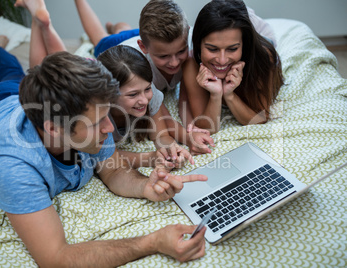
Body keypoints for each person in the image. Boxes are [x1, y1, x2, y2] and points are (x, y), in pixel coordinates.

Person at [0, 34, 208, 266]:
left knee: (12, 76)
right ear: (54, 129)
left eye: (107, 115)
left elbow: (113, 171)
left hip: (15, 97)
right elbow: (56, 257)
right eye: (97, 123)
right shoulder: (13, 164)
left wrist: (145, 187)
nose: (109, 129)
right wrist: (151, 243)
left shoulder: (86, 115)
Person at [15, 0, 194, 169]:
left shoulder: (146, 90)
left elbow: (162, 134)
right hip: (113, 51)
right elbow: (107, 157)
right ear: (109, 95)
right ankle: (43, 23)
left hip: (127, 52)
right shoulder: (97, 113)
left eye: (147, 90)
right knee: (54, 70)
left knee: (121, 30)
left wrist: (170, 148)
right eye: (132, 95)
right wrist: (151, 158)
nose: (144, 100)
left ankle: (117, 27)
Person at [75, 0, 216, 156]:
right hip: (120, 47)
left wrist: (189, 136)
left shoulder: (189, 45)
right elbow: (163, 116)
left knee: (124, 29)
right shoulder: (138, 72)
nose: (175, 62)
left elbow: (166, 119)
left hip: (148, 39)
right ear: (143, 47)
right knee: (100, 39)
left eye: (180, 52)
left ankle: (118, 27)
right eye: (163, 56)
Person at [180, 0, 284, 134]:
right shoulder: (191, 63)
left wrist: (229, 95)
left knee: (245, 19)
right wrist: (216, 95)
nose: (222, 60)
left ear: (243, 45)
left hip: (262, 37)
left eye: (232, 49)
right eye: (212, 49)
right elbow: (208, 127)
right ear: (199, 45)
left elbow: (259, 118)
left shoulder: (263, 57)